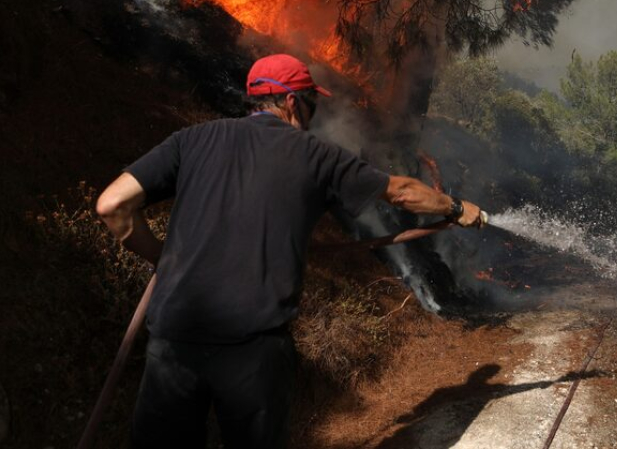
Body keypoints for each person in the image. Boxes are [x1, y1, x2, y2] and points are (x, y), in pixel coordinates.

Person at [95, 53, 484, 449]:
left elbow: (112, 204)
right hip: (252, 349)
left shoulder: (191, 139)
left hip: (175, 339)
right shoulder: (316, 155)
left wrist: (162, 258)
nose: (314, 114)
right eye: (313, 103)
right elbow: (401, 191)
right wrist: (456, 208)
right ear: (293, 103)